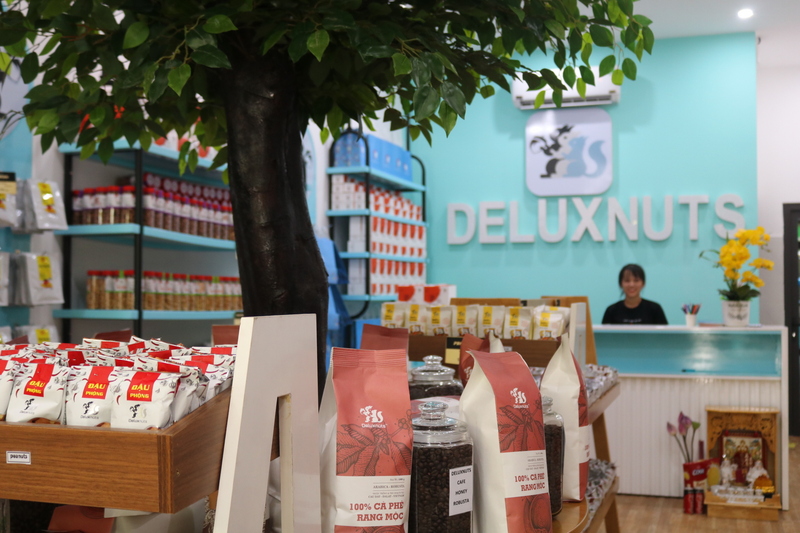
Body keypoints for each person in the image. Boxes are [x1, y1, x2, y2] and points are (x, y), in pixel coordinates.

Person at [602, 264, 668, 325]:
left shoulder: (655, 309)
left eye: (636, 280)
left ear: (643, 283)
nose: (631, 285)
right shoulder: (611, 311)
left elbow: (665, 333)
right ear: (620, 284)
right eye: (627, 281)